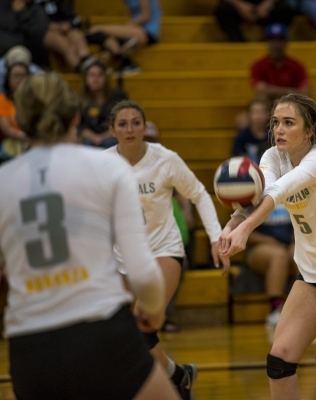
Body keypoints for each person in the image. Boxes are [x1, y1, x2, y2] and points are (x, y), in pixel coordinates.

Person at [0, 72, 178, 399]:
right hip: (101, 333)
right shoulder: (107, 168)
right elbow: (142, 272)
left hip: (28, 348)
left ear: (21, 124)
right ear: (76, 117)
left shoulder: (3, 181)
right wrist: (151, 309)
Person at [220, 94, 316, 400]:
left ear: (309, 130)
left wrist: (245, 231)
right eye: (276, 122)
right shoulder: (273, 157)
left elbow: (279, 192)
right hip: (311, 275)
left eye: (288, 123)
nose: (279, 129)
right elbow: (257, 195)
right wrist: (232, 224)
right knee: (279, 359)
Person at [106, 100, 231, 399]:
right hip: (124, 259)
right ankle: (177, 375)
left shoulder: (165, 159)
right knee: (132, 335)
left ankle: (160, 386)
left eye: (136, 122)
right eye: (122, 124)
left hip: (164, 249)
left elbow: (199, 193)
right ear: (112, 130)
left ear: (144, 126)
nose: (130, 129)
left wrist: (215, 237)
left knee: (142, 322)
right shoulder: (103, 164)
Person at [246, 203, 296, 326]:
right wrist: (270, 241)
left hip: (289, 244)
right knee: (279, 256)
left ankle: (302, 308)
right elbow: (243, 230)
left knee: (300, 253)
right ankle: (275, 310)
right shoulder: (254, 191)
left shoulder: (294, 188)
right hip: (258, 247)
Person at [86, 0, 162, 73]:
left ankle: (122, 60)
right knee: (107, 38)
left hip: (148, 31)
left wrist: (125, 28)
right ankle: (123, 61)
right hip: (136, 28)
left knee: (100, 29)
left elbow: (145, 16)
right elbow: (134, 15)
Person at [250, 24, 311, 103]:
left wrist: (271, 90)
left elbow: (306, 93)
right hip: (267, 109)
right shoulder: (258, 66)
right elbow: (261, 91)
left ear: (286, 42)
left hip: (292, 108)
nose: (276, 44)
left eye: (280, 39)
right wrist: (292, 92)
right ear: (267, 42)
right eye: (272, 39)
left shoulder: (297, 66)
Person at [78, 61, 128, 148]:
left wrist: (102, 137)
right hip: (89, 139)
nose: (95, 79)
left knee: (109, 143)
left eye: (99, 75)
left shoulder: (118, 97)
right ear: (86, 79)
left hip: (112, 137)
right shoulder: (80, 101)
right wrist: (94, 137)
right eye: (92, 75)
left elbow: (123, 122)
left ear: (106, 78)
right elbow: (79, 126)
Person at [37, 0, 95, 71]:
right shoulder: (34, 6)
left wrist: (68, 24)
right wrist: (53, 27)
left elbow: (72, 18)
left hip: (64, 28)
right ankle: (80, 67)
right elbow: (35, 24)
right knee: (65, 44)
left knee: (76, 35)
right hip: (46, 32)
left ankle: (86, 58)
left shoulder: (59, 3)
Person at [215, 0, 295, 42]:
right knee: (223, 10)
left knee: (285, 9)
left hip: (266, 6)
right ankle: (238, 42)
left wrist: (267, 5)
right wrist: (241, 6)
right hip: (240, 6)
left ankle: (273, 39)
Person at [0, 0, 50, 68]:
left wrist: (22, 12)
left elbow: (38, 32)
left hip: (27, 57)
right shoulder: (4, 6)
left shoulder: (37, 10)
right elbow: (5, 24)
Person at [0, 61, 29, 163]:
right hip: (11, 143)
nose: (19, 79)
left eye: (22, 76)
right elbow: (6, 129)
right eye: (16, 76)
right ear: (8, 79)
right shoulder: (2, 100)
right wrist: (25, 137)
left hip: (32, 142)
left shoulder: (34, 99)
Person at [233, 98, 271, 163]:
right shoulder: (242, 136)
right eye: (256, 112)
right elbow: (238, 157)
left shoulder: (273, 134)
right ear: (249, 114)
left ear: (268, 114)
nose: (259, 116)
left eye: (262, 112)